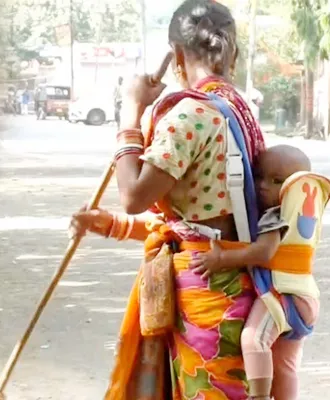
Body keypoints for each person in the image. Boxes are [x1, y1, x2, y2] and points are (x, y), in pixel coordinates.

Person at [70, 0, 265, 398]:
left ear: (176, 56)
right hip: (242, 286)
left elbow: (134, 196)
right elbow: (194, 223)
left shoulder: (190, 115)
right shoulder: (241, 111)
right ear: (235, 54)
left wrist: (130, 112)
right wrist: (107, 224)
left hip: (206, 296)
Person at [190, 145, 330, 400]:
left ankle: (260, 397)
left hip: (283, 296)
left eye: (277, 181)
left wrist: (222, 259)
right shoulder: (305, 218)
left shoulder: (275, 216)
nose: (263, 186)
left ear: (297, 187)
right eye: (258, 176)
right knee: (284, 366)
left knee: (254, 340)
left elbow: (263, 253)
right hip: (306, 299)